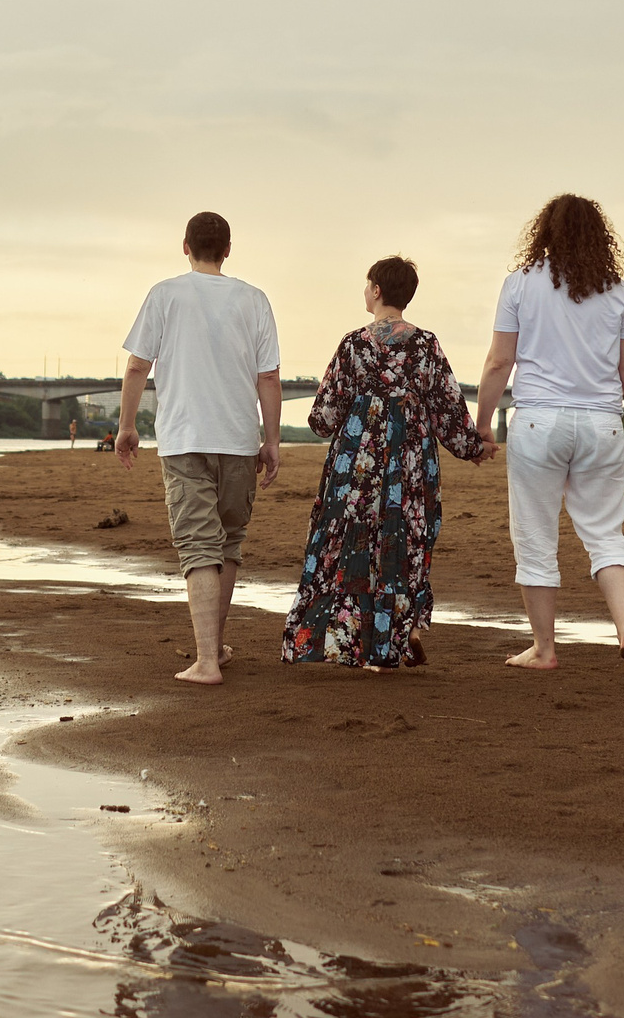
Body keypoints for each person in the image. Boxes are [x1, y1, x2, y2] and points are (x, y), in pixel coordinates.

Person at [471, 193, 624, 675]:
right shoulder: (618, 291)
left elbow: (498, 361)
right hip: (600, 422)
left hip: (537, 422)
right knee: (606, 533)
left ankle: (545, 649)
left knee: (535, 536)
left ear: (545, 231)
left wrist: (483, 422)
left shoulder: (520, 285)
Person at [281, 256, 491, 670]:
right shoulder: (427, 344)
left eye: (367, 285)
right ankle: (401, 631)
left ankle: (346, 639)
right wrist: (473, 446)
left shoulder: (354, 344)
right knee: (406, 539)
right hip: (409, 461)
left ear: (376, 290)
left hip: (356, 462)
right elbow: (447, 407)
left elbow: (322, 417)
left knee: (346, 539)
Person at [116, 211, 283, 686]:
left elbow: (136, 367)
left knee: (197, 546)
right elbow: (267, 377)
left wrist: (127, 426)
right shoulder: (254, 300)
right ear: (227, 250)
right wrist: (271, 440)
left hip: (185, 438)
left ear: (185, 246)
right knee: (227, 544)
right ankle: (216, 647)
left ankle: (207, 660)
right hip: (237, 439)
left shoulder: (165, 294)